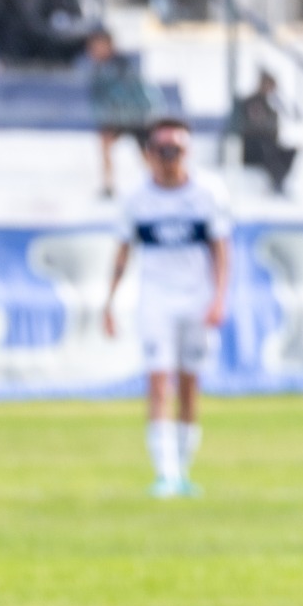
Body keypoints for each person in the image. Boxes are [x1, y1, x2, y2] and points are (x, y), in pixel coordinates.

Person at [103, 118, 231, 498]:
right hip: (156, 299)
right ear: (149, 154)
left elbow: (221, 250)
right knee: (158, 382)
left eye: (177, 149)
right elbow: (123, 252)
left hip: (197, 298)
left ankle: (183, 468)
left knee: (190, 383)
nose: (170, 158)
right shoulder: (136, 199)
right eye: (163, 150)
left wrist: (219, 297)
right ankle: (165, 473)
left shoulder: (208, 193)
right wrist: (109, 302)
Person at [86, 30, 158, 198]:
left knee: (146, 153)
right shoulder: (99, 67)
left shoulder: (120, 64)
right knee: (105, 144)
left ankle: (156, 181)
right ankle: (108, 185)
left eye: (98, 46)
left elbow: (131, 90)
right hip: (115, 118)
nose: (94, 50)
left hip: (135, 117)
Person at [232, 72, 296, 196]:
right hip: (253, 146)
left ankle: (279, 181)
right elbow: (254, 126)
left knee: (289, 152)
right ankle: (277, 182)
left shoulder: (270, 104)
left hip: (269, 143)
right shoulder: (252, 101)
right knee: (268, 150)